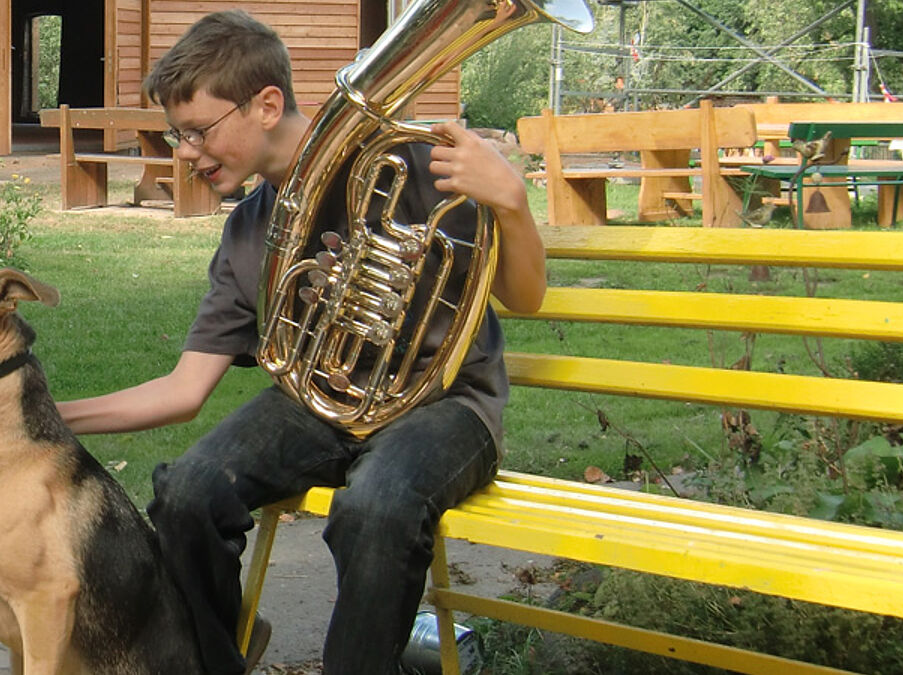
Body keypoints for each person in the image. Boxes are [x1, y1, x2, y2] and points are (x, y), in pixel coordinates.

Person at [57, 9, 546, 675]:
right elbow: (182, 390)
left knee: (376, 506)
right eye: (178, 134)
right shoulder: (249, 233)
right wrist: (48, 419)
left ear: (265, 104)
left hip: (447, 405)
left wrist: (511, 201)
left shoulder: (407, 161)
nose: (185, 152)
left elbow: (525, 297)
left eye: (198, 131)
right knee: (188, 490)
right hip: (319, 405)